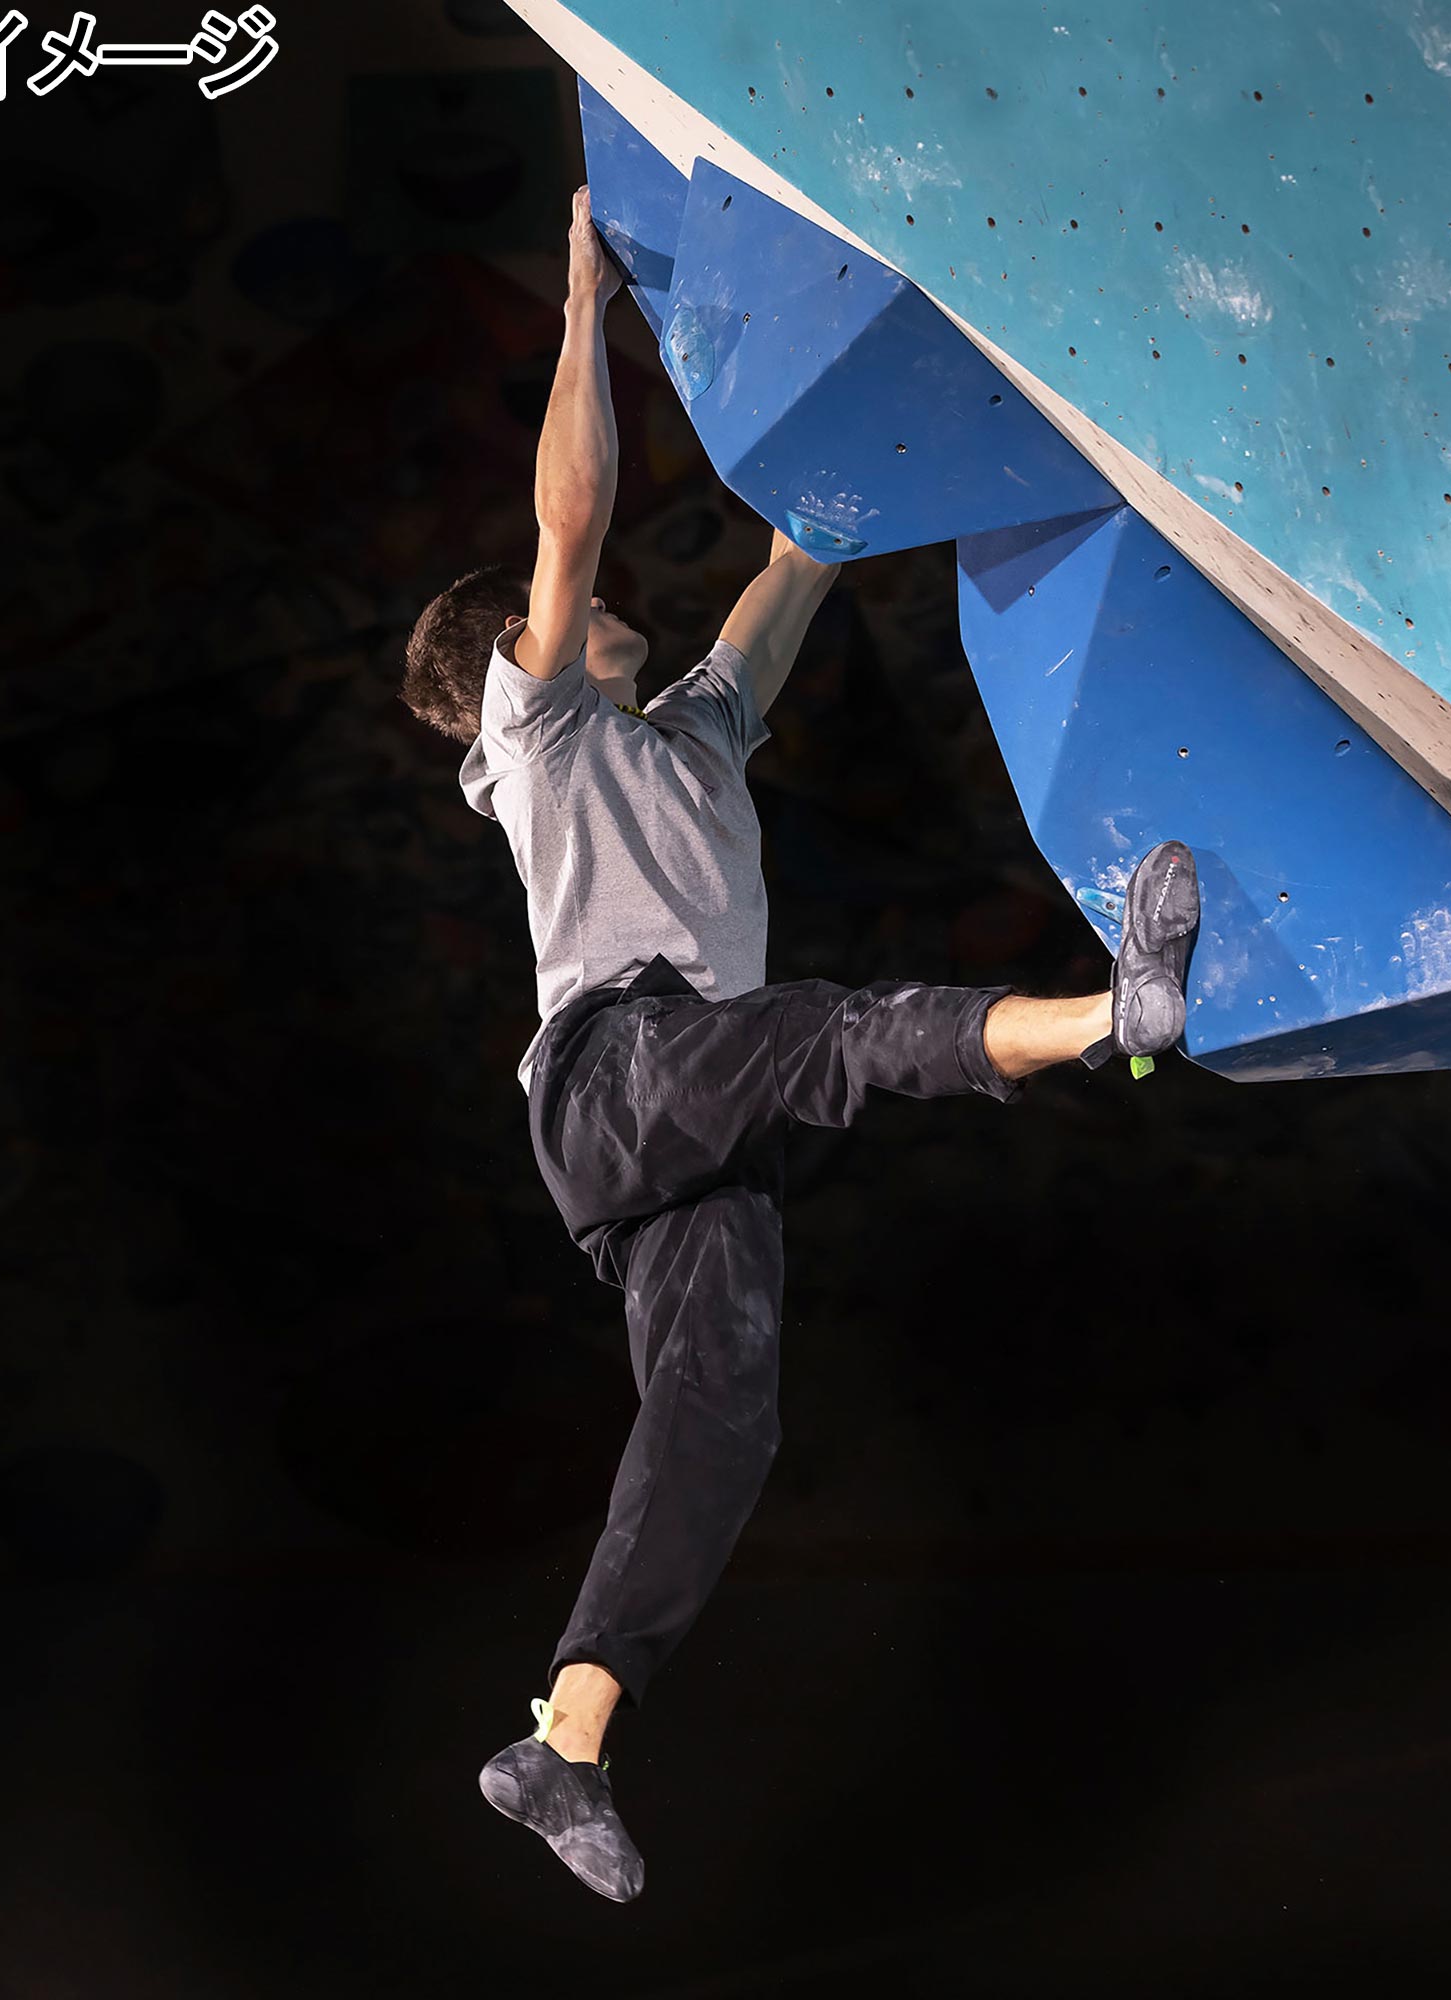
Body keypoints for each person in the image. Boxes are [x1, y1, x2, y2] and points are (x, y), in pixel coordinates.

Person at [398, 187, 1200, 1902]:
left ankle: (565, 1742)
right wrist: (581, 306)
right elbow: (570, 518)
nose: (612, 606)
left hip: (681, 1135)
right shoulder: (539, 734)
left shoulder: (691, 729)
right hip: (619, 1072)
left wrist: (906, 347)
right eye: (570, 613)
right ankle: (1109, 1020)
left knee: (722, 1414)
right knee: (823, 1036)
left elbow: (800, 557)